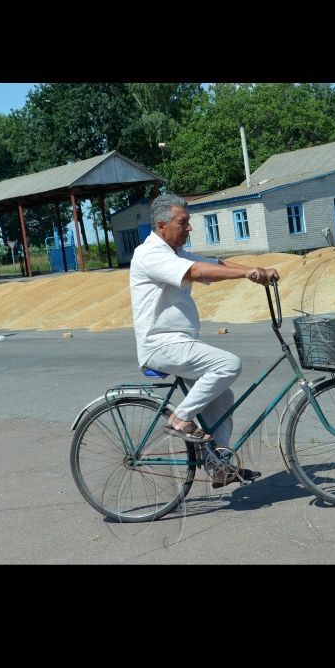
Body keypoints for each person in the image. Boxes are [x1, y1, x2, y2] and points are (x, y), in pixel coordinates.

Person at [129, 194, 280, 487]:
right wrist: (248, 273)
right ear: (161, 226)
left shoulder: (177, 253)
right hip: (161, 345)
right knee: (228, 364)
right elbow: (198, 272)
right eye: (182, 223)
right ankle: (179, 418)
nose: (189, 228)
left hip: (180, 343)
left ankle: (219, 465)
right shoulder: (150, 254)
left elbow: (214, 263)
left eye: (189, 222)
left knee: (222, 397)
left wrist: (256, 270)